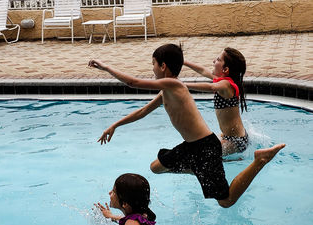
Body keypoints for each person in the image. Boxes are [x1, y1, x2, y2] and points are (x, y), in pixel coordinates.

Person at [89, 43, 285, 208]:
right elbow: (142, 111)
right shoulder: (168, 90)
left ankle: (259, 160)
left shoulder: (174, 85)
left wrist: (105, 67)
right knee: (156, 167)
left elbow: (133, 82)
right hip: (192, 146)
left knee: (226, 201)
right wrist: (115, 125)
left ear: (163, 66)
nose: (153, 69)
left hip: (206, 147)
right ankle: (197, 170)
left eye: (154, 65)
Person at [184, 48, 249, 155]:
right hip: (230, 136)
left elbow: (211, 87)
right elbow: (203, 71)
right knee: (199, 146)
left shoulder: (226, 85)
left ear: (225, 70)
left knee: (202, 156)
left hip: (235, 141)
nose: (214, 61)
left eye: (218, 59)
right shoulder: (222, 81)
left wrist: (182, 85)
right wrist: (184, 62)